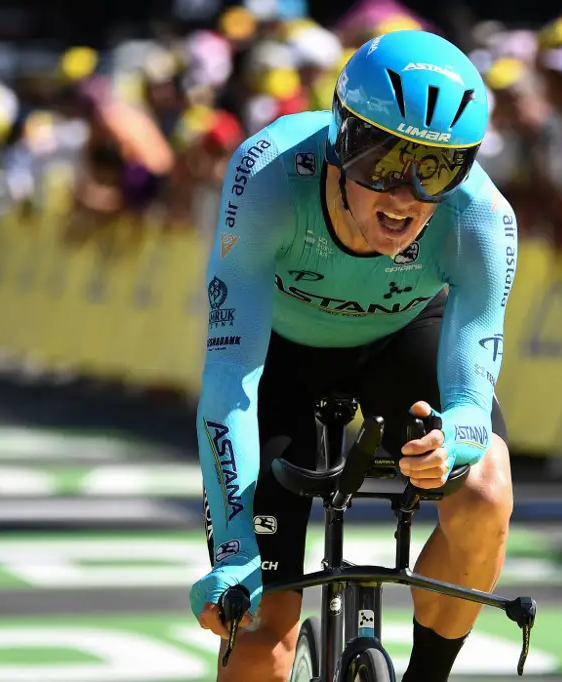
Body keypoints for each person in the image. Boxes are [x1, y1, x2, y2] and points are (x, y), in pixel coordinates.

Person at [191, 30, 517, 682]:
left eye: (435, 168)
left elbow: (470, 398)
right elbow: (231, 374)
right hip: (279, 356)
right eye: (385, 163)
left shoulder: (478, 214)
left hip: (401, 339)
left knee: (484, 492)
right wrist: (232, 551)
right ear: (343, 141)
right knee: (260, 645)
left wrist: (454, 438)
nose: (405, 196)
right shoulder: (270, 176)